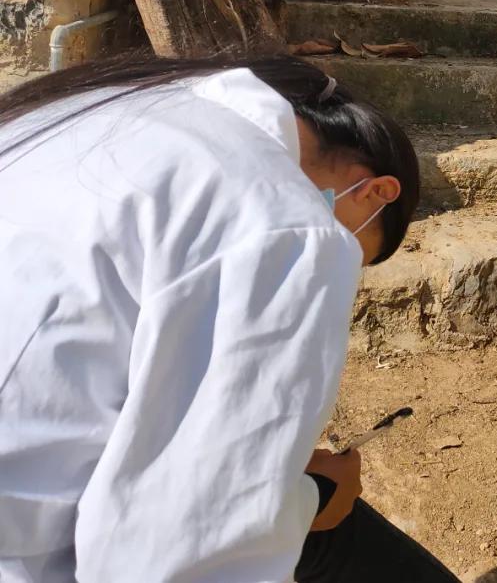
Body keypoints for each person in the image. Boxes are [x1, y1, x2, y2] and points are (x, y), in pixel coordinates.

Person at [0, 54, 456, 581]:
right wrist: (317, 497)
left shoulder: (105, 106)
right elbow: (181, 545)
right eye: (360, 252)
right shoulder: (289, 227)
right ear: (376, 192)